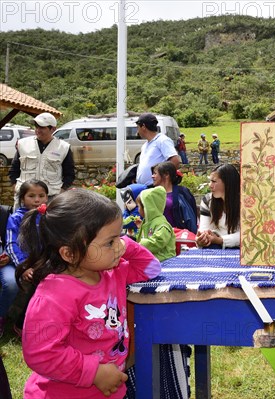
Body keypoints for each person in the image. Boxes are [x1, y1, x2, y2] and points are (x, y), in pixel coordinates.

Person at [17, 189, 161, 398]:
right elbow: (40, 353)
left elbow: (151, 269)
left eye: (119, 237)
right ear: (70, 253)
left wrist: (127, 245)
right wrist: (93, 373)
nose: (118, 245)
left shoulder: (114, 272)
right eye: (109, 242)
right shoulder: (55, 294)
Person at [4, 180, 49, 335]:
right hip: (25, 262)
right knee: (38, 280)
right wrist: (23, 266)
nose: (37, 200)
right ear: (22, 198)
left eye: (41, 195)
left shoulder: (48, 217)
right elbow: (11, 244)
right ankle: (21, 323)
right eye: (31, 196)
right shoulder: (16, 218)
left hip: (45, 261)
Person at [8, 112, 75, 209]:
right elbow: (14, 169)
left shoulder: (63, 147)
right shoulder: (23, 144)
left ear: (53, 129)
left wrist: (61, 191)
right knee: (21, 223)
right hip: (24, 197)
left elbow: (70, 174)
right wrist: (15, 186)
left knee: (48, 224)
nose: (38, 130)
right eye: (36, 127)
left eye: (42, 127)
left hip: (51, 197)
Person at [196, 164, 241, 249]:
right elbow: (204, 229)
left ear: (227, 183)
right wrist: (202, 238)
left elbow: (246, 235)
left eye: (214, 181)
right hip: (216, 245)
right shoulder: (208, 201)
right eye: (210, 181)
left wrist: (220, 240)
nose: (210, 185)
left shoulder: (246, 203)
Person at [151, 162, 198, 233]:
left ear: (166, 174)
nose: (152, 176)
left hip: (178, 236)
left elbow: (190, 216)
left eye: (155, 173)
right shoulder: (153, 194)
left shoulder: (182, 193)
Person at [134, 113, 180, 186]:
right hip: (145, 188)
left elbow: (175, 161)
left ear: (143, 126)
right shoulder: (145, 145)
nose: (137, 131)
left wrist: (163, 181)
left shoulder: (162, 140)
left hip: (156, 188)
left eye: (138, 127)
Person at [134, 186, 176, 262]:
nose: (138, 209)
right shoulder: (148, 222)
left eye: (139, 206)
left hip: (165, 260)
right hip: (154, 260)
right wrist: (140, 228)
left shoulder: (162, 224)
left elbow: (158, 241)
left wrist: (140, 245)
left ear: (147, 207)